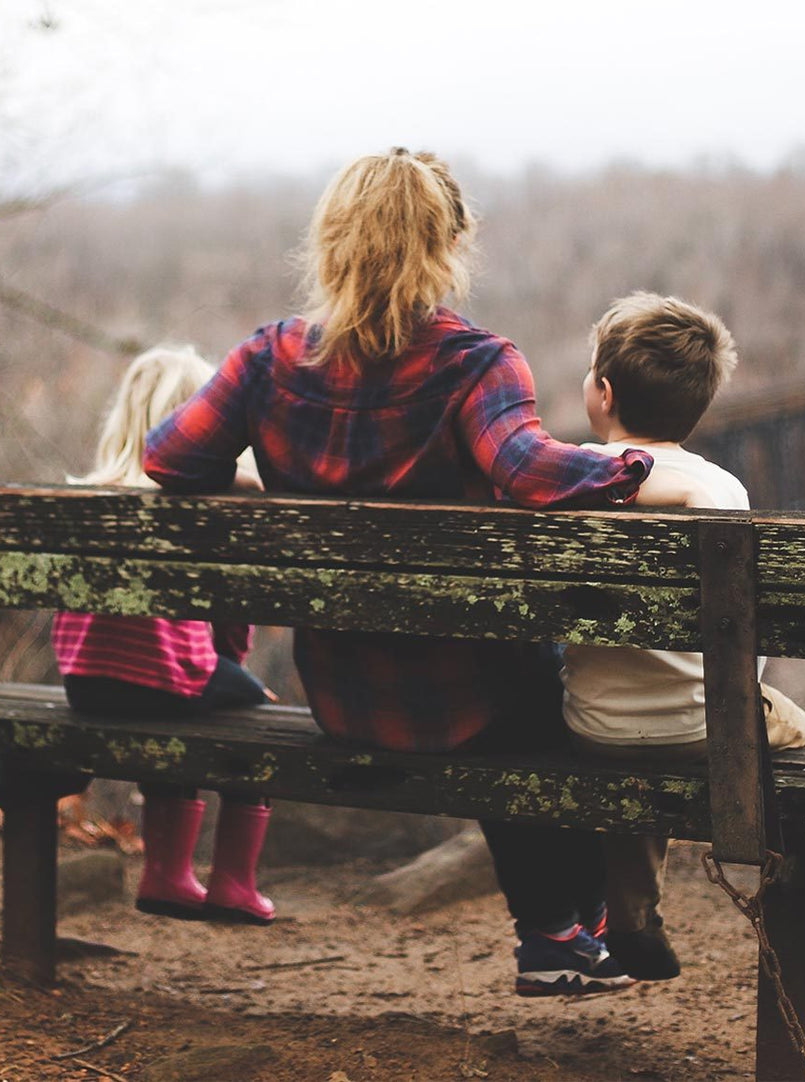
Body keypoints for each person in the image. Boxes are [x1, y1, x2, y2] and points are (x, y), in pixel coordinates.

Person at [145, 148, 658, 996]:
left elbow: (167, 459)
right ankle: (566, 929)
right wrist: (635, 466)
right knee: (547, 692)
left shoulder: (266, 359)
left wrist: (251, 481)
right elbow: (529, 472)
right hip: (471, 701)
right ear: (450, 244)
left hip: (344, 696)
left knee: (520, 688)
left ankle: (567, 934)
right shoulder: (476, 363)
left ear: (331, 242)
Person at [562, 291, 805, 1015]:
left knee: (635, 743)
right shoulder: (720, 490)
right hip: (710, 725)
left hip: (593, 726)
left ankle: (632, 919)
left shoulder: (567, 478)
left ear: (602, 393)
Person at [53, 345, 278, 926]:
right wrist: (232, 668)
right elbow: (229, 618)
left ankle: (167, 875)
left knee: (179, 696)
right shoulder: (198, 503)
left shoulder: (86, 496)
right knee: (256, 713)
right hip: (163, 680)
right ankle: (231, 883)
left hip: (85, 684)